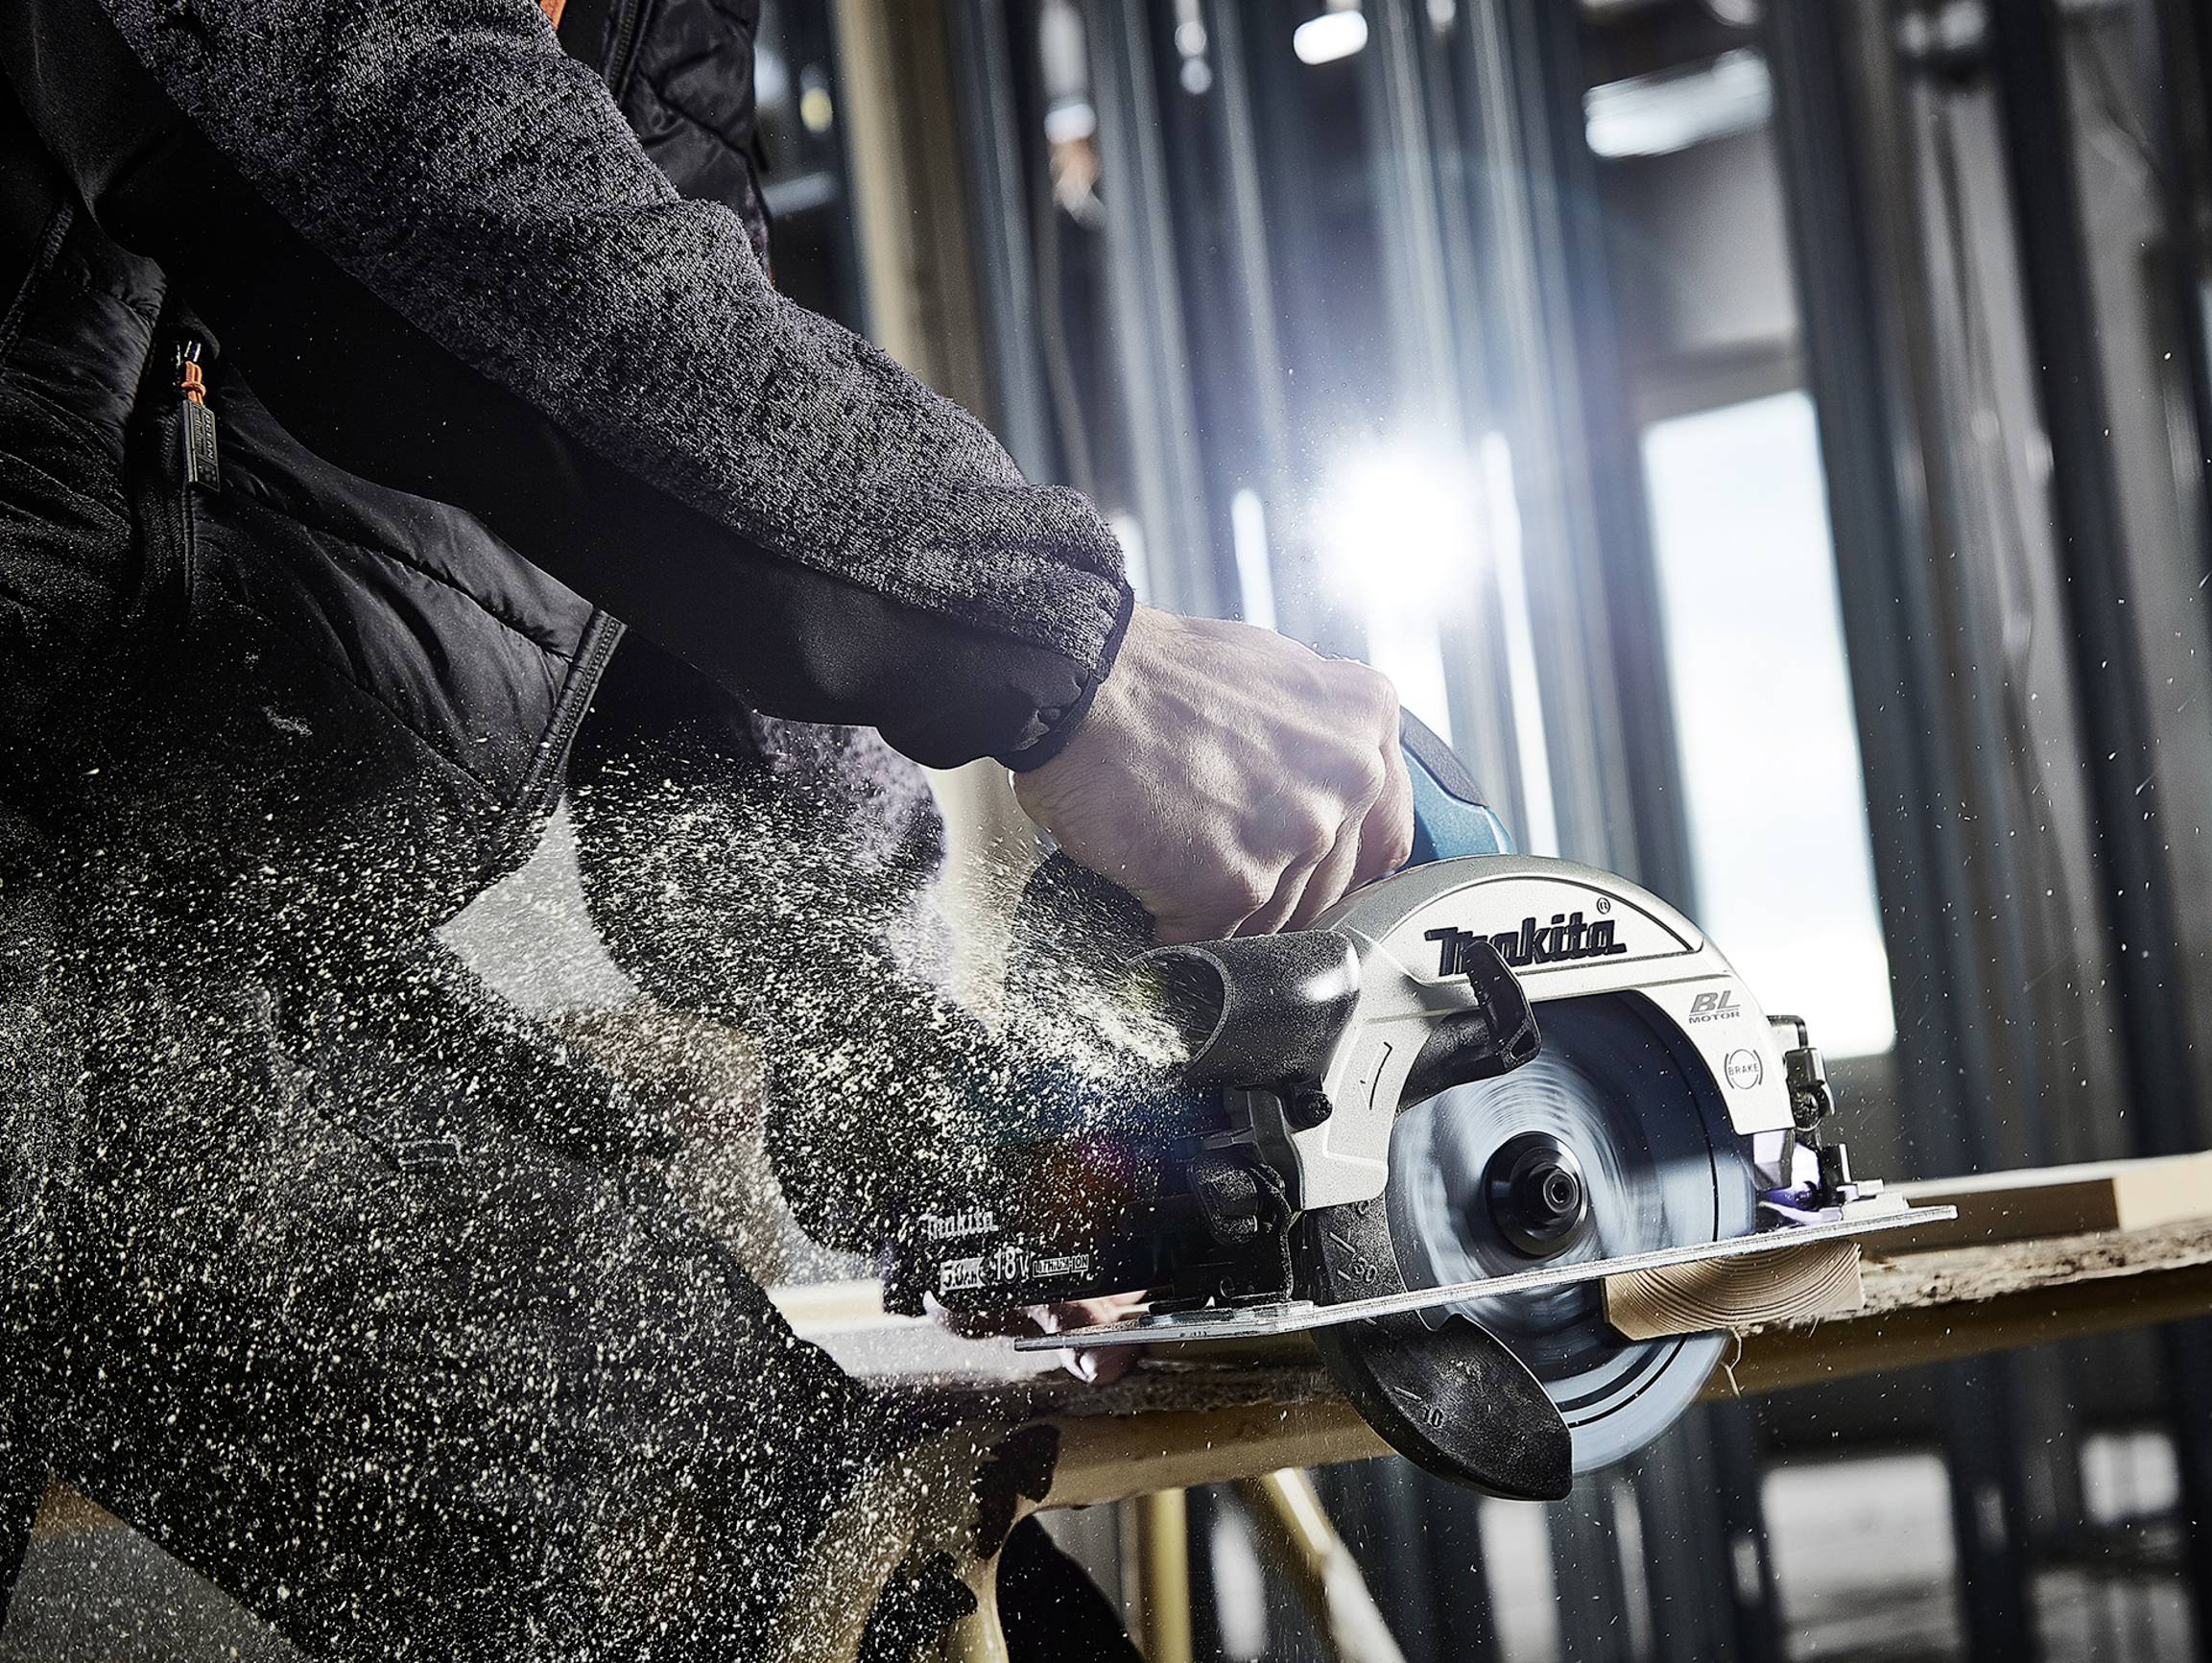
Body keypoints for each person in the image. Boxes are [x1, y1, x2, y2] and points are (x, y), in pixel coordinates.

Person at [0, 0, 1412, 1655]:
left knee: (812, 1558)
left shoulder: (653, 31)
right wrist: (1068, 653)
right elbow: (415, 167)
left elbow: (672, 519)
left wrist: (924, 1084)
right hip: (48, 944)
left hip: (186, 970)